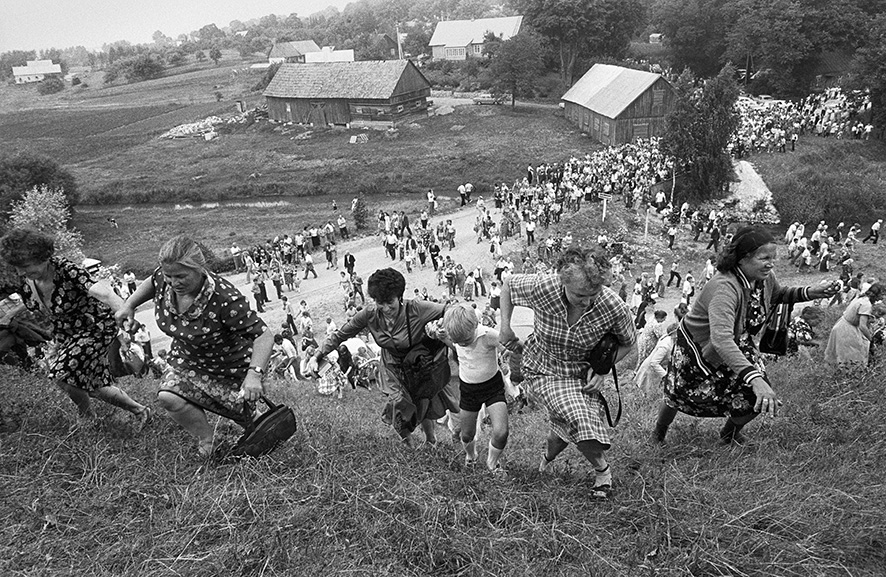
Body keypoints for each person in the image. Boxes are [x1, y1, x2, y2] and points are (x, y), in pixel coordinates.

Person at [652, 226, 839, 446]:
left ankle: (728, 434)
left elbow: (777, 295)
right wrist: (754, 378)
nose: (770, 263)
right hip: (699, 345)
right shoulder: (724, 288)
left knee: (757, 396)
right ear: (742, 258)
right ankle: (658, 433)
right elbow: (720, 339)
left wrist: (810, 292)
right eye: (764, 258)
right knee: (678, 392)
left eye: (773, 258)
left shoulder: (763, 277)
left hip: (737, 341)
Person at [117, 235, 274, 458]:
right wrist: (129, 305)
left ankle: (250, 420)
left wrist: (254, 375)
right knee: (168, 397)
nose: (173, 282)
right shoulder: (164, 279)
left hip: (228, 366)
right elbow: (153, 282)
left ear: (200, 269)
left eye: (181, 276)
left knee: (250, 421)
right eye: (169, 276)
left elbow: (264, 335)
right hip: (187, 358)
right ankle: (207, 438)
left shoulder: (225, 299)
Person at [498, 247, 636, 499]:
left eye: (593, 294)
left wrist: (603, 370)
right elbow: (508, 284)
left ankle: (546, 460)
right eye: (580, 295)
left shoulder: (613, 306)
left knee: (564, 428)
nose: (587, 302)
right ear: (563, 282)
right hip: (542, 366)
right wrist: (505, 327)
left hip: (581, 373)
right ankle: (602, 471)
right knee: (579, 417)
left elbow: (629, 341)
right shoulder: (543, 287)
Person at [0, 228, 152, 427]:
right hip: (67, 332)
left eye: (25, 266)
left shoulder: (65, 269)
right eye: (17, 267)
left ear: (43, 257)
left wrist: (125, 313)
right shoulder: (25, 280)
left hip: (95, 327)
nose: (20, 272)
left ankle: (87, 417)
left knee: (63, 374)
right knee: (91, 385)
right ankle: (140, 411)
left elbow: (102, 292)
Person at [307, 268, 459, 445]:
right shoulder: (369, 314)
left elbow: (451, 310)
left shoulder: (417, 309)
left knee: (423, 401)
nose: (386, 308)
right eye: (380, 302)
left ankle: (430, 440)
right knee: (399, 403)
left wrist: (442, 324)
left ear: (400, 297)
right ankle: (408, 444)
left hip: (419, 365)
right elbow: (340, 334)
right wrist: (317, 355)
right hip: (392, 367)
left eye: (390, 302)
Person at [437, 303, 509, 474]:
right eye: (458, 341)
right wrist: (440, 336)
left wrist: (507, 354)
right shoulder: (457, 335)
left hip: (492, 387)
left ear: (476, 325)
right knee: (466, 434)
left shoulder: (488, 335)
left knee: (501, 432)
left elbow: (507, 346)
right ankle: (471, 456)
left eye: (466, 341)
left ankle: (492, 462)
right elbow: (454, 345)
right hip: (469, 390)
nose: (463, 344)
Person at [824, 283, 885, 366]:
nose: (883, 297)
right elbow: (862, 326)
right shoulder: (866, 305)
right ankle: (851, 373)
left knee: (842, 354)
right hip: (847, 329)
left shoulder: (861, 297)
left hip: (842, 325)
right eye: (882, 295)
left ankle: (842, 372)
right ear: (876, 295)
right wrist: (871, 339)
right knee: (853, 353)